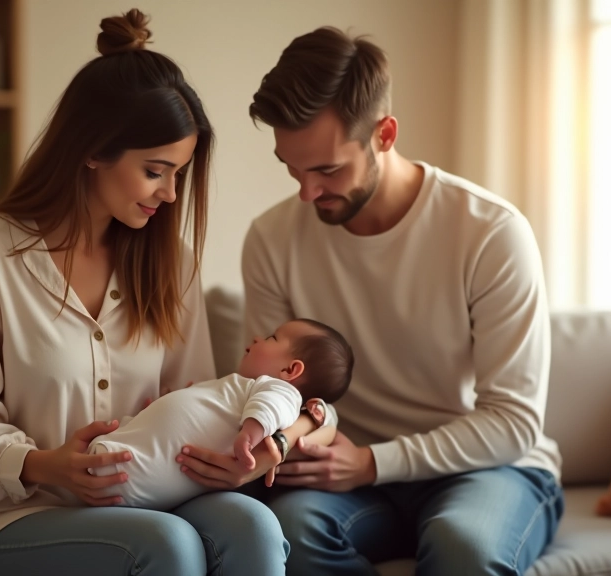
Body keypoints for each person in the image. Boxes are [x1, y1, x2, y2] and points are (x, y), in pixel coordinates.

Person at [0, 9, 325, 576]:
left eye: (179, 174)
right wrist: (45, 465)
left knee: (253, 525)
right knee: (164, 545)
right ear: (93, 150)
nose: (169, 193)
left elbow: (197, 400)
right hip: (9, 519)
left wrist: (259, 445)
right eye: (155, 171)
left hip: (147, 500)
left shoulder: (171, 264)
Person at [226, 27, 564, 575]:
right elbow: (272, 388)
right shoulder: (272, 238)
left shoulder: (490, 232)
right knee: (286, 535)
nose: (307, 193)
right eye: (293, 169)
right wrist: (296, 438)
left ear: (384, 134)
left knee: (464, 549)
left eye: (328, 170)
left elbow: (513, 421)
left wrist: (372, 462)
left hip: (487, 470)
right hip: (342, 469)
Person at [89, 318, 354, 510]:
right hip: (132, 459)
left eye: (272, 338)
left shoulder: (277, 390)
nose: (257, 338)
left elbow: (274, 406)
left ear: (290, 370)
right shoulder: (240, 388)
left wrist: (251, 434)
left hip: (137, 475)